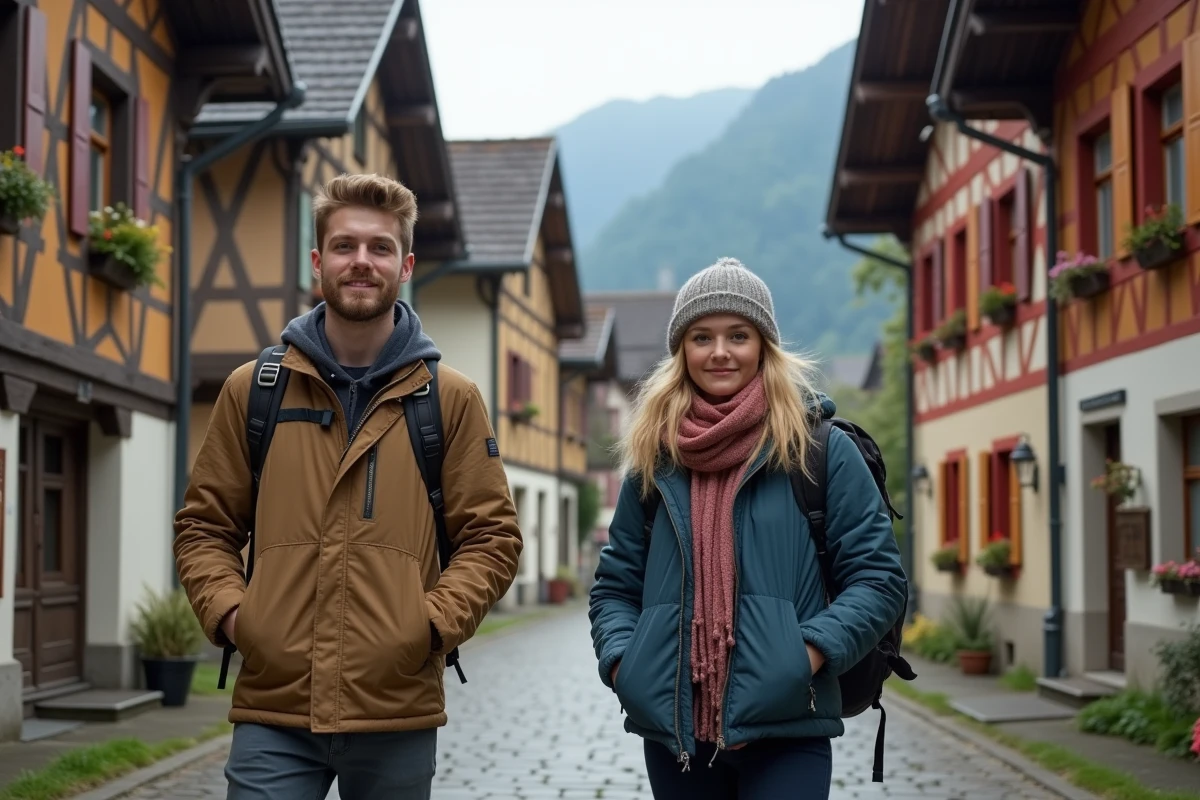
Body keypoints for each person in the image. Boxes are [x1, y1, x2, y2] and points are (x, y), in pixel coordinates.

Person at [173, 173, 523, 800]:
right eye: (344, 246)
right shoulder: (254, 389)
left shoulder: (449, 400)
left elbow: (492, 538)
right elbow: (205, 527)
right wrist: (235, 616)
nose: (361, 261)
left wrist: (429, 626)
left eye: (380, 247)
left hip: (397, 706)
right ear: (318, 261)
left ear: (406, 264)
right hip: (273, 707)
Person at [588, 257, 907, 799]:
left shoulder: (821, 451)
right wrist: (625, 665)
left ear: (764, 344)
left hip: (788, 725)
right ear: (680, 350)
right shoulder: (653, 460)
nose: (719, 351)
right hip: (676, 736)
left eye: (739, 334)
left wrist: (802, 656)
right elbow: (615, 587)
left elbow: (879, 581)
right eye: (701, 336)